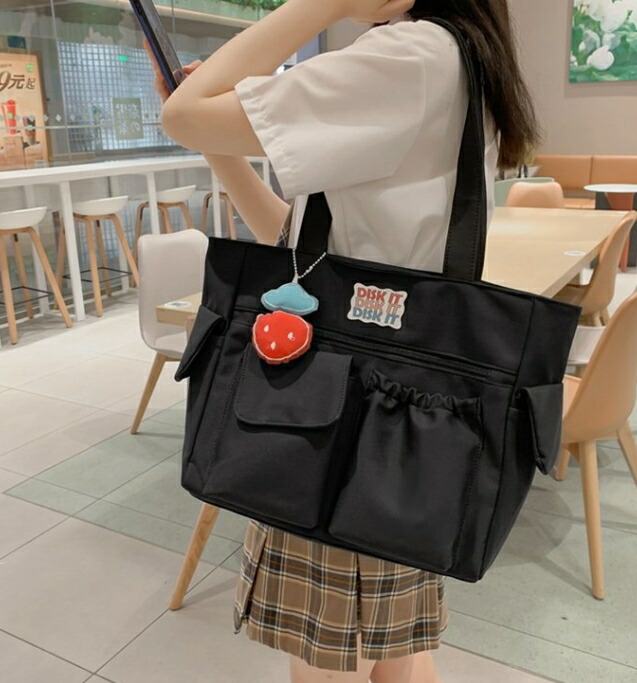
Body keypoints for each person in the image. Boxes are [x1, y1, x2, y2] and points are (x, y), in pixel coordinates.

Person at [150, 1, 539, 681]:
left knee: (326, 664)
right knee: (396, 650)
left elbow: (182, 115)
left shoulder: (407, 55)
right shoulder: (448, 55)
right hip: (395, 419)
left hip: (334, 421)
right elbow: (298, 246)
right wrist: (212, 131)